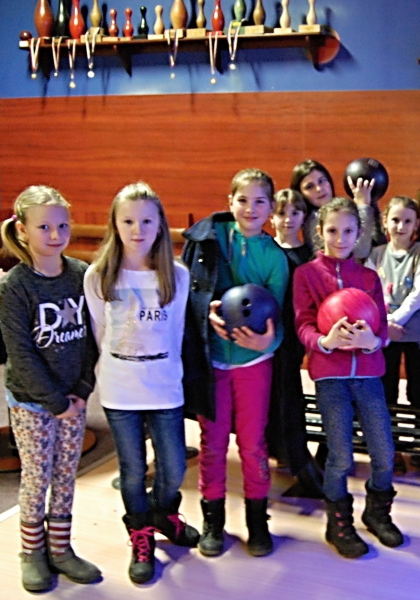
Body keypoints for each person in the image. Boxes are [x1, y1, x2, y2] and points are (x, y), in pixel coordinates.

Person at [84, 182, 198, 584]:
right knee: (132, 470)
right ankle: (140, 533)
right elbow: (100, 332)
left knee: (173, 465)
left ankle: (163, 513)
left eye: (147, 221)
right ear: (114, 225)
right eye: (128, 221)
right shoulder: (99, 276)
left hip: (164, 385)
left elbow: (177, 332)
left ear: (160, 225)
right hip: (121, 389)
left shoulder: (177, 275)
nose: (138, 230)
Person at [0, 185, 101, 593]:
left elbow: (91, 336)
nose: (55, 235)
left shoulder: (79, 274)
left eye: (62, 225)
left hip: (73, 397)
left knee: (66, 474)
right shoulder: (16, 285)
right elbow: (20, 353)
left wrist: (83, 388)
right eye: (44, 227)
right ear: (23, 230)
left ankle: (60, 548)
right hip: (32, 402)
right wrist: (55, 402)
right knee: (37, 476)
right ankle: (31, 552)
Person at [182, 168, 288, 559]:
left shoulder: (275, 258)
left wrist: (267, 341)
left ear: (271, 208)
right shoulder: (210, 241)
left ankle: (257, 522)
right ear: (230, 202)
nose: (250, 208)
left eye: (260, 201)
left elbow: (280, 320)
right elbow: (191, 293)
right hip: (212, 361)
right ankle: (213, 522)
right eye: (243, 200)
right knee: (212, 443)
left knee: (252, 444)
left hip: (254, 364)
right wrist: (205, 313)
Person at [293, 196, 403, 559]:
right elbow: (303, 325)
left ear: (359, 234)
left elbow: (381, 328)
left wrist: (374, 342)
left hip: (369, 376)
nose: (340, 238)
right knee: (339, 456)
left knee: (384, 453)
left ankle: (377, 513)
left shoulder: (369, 277)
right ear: (319, 232)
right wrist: (325, 342)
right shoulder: (307, 275)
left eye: (348, 231)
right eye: (332, 231)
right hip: (331, 378)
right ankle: (338, 523)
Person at [366, 196, 420, 475]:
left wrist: (394, 319)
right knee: (386, 390)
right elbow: (371, 290)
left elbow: (418, 295)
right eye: (395, 220)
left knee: (419, 390)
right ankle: (388, 447)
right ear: (385, 222)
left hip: (413, 332)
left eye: (407, 221)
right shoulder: (377, 254)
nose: (401, 226)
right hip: (385, 334)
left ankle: (419, 444)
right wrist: (385, 323)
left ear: (416, 224)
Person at [266, 188, 324, 498]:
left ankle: (298, 457)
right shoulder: (265, 250)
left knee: (289, 398)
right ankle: (277, 450)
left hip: (291, 339)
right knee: (267, 399)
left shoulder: (308, 258)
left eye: (294, 213)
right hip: (262, 338)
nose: (287, 219)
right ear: (271, 217)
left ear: (304, 217)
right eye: (281, 213)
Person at [290, 159, 385, 260]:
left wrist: (371, 201)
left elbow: (378, 244)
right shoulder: (312, 221)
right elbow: (359, 253)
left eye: (322, 181)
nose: (319, 189)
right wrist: (363, 206)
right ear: (301, 194)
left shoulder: (343, 210)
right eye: (310, 187)